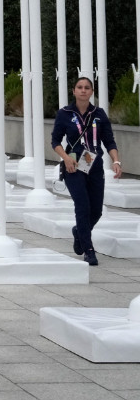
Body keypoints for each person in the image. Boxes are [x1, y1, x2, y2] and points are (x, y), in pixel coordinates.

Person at [52, 76, 121, 266]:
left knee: (96, 211)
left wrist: (116, 160)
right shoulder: (65, 113)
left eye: (87, 88)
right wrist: (66, 158)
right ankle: (89, 250)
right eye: (79, 87)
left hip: (95, 166)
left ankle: (79, 232)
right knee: (82, 206)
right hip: (73, 166)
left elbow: (109, 140)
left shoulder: (99, 114)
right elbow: (56, 141)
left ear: (91, 92)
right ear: (74, 91)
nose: (83, 90)